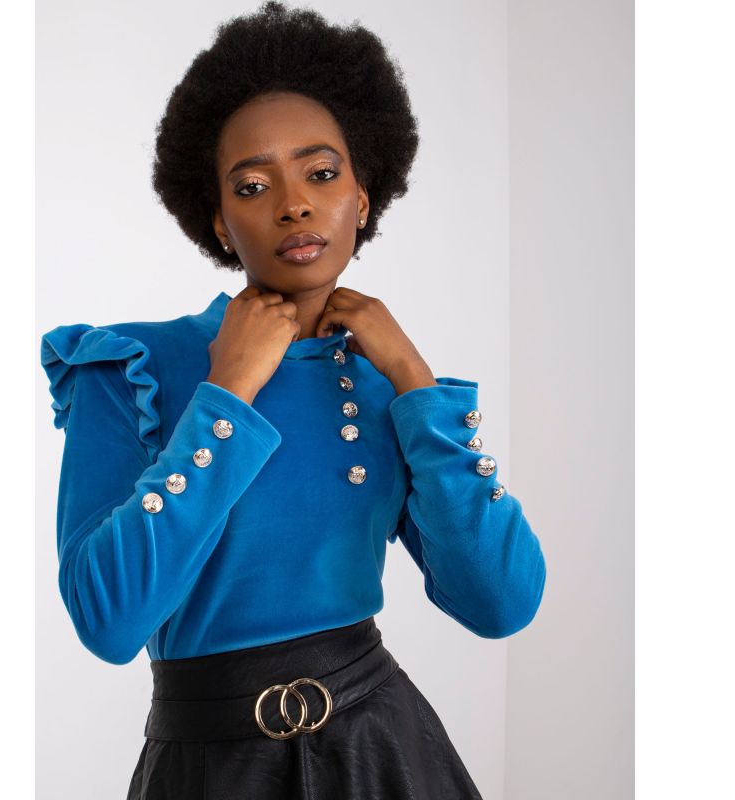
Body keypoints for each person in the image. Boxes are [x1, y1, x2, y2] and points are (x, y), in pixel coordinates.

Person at [39, 2, 547, 797]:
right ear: (218, 220)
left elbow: (500, 603)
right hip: (208, 771)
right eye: (253, 184)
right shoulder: (131, 365)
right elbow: (108, 619)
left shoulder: (383, 384)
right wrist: (227, 392)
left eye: (322, 173)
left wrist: (414, 379)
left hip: (384, 758)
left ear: (363, 197)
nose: (294, 204)